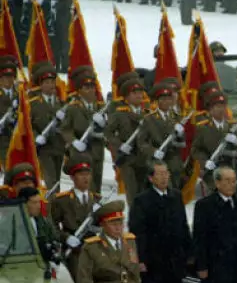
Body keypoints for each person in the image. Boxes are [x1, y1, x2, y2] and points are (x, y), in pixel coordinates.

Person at [130, 160, 192, 283]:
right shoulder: (142, 200)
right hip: (153, 258)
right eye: (160, 174)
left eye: (166, 173)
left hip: (174, 257)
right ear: (151, 178)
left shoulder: (175, 196)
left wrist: (189, 252)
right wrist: (139, 259)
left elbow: (182, 226)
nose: (165, 177)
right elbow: (137, 232)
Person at [49, 153, 101, 281]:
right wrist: (66, 238)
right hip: (74, 253)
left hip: (94, 251)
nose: (86, 178)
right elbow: (52, 226)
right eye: (81, 174)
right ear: (72, 177)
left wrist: (98, 225)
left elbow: (104, 227)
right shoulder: (62, 200)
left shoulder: (97, 200)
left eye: (88, 174)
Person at [60, 66, 106, 194]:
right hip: (81, 152)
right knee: (85, 186)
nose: (91, 90)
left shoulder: (101, 107)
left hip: (97, 151)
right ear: (79, 90)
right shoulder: (73, 108)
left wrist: (103, 124)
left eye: (92, 87)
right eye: (87, 87)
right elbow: (65, 129)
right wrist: (74, 142)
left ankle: (96, 208)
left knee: (97, 184)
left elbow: (110, 131)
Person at [105, 77, 148, 206]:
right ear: (126, 96)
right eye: (134, 93)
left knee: (145, 193)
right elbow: (107, 132)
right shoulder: (119, 114)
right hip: (127, 159)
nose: (139, 95)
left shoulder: (148, 113)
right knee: (133, 193)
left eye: (140, 92)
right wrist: (120, 145)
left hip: (144, 158)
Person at [29, 61, 66, 187]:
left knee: (57, 181)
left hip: (59, 147)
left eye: (52, 82)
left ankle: (55, 205)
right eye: (47, 82)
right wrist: (35, 136)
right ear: (41, 85)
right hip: (44, 149)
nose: (51, 85)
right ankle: (51, 205)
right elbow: (27, 125)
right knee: (51, 181)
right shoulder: (33, 104)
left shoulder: (61, 103)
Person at [17, 187, 59, 263]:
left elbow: (55, 240)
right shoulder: (12, 224)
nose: (39, 206)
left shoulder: (44, 222)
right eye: (34, 203)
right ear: (23, 204)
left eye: (39, 202)